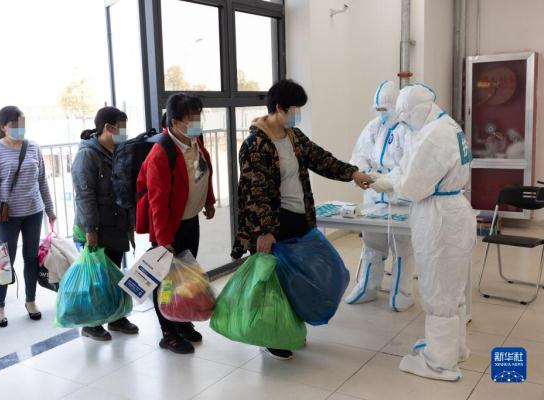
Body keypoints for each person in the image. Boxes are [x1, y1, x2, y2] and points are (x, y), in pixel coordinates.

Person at [231, 79, 372, 360]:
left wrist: (352, 173)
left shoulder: (294, 137)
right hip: (274, 224)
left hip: (299, 219)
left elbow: (321, 159)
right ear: (279, 108)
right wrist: (265, 231)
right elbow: (256, 193)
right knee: (276, 284)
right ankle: (273, 336)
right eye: (295, 109)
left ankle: (290, 328)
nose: (298, 115)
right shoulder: (256, 145)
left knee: (298, 279)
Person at [371, 84, 476, 381]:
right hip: (452, 211)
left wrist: (388, 183)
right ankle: (453, 348)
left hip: (439, 217)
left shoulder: (434, 135)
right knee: (452, 288)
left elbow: (413, 185)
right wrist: (391, 177)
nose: (403, 124)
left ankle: (439, 363)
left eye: (405, 118)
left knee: (438, 290)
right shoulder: (445, 125)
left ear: (415, 111)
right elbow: (410, 165)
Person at [136, 93, 216, 355]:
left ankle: (181, 320)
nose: (197, 122)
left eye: (198, 116)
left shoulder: (194, 142)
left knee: (186, 274)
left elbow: (203, 172)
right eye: (191, 118)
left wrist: (209, 201)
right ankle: (168, 331)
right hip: (168, 228)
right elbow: (157, 202)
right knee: (165, 281)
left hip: (190, 221)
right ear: (174, 122)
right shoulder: (161, 152)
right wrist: (163, 239)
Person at [344, 81, 415, 311]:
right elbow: (359, 154)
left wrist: (389, 180)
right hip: (374, 198)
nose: (382, 114)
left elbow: (410, 165)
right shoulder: (374, 126)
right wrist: (364, 173)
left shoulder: (408, 129)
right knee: (372, 244)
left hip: (400, 199)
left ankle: (402, 293)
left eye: (385, 109)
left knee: (402, 248)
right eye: (379, 110)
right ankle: (368, 287)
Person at [0, 106, 56, 327]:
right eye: (15, 125)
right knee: (4, 261)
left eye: (22, 124)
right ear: (3, 127)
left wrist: (50, 209)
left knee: (31, 257)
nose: (20, 129)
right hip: (8, 215)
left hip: (33, 211)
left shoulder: (33, 147)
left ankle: (31, 300)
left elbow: (42, 180)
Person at [72, 106, 139, 341]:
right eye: (121, 128)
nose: (124, 133)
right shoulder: (87, 155)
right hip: (97, 228)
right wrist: (91, 229)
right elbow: (84, 195)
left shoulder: (119, 151)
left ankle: (116, 318)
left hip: (117, 225)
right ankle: (91, 323)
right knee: (96, 280)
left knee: (114, 275)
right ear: (108, 128)